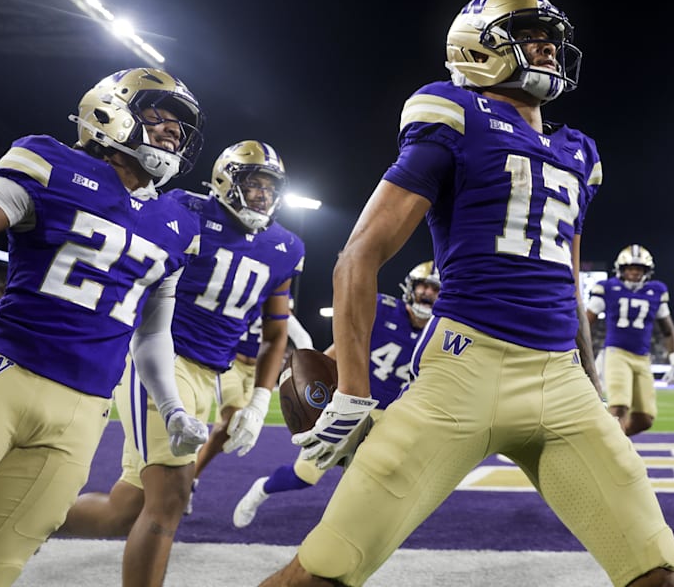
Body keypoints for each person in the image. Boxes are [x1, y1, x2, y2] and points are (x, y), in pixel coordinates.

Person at [260, 0, 674, 586]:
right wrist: (354, 392)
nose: (550, 50)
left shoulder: (578, 152)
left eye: (553, 40)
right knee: (325, 572)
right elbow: (358, 256)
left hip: (562, 382)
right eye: (533, 36)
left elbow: (568, 280)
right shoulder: (452, 112)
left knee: (656, 572)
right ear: (478, 47)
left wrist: (590, 382)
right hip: (463, 373)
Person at [0, 67, 209, 587]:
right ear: (110, 110)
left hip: (82, 414)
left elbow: (152, 332)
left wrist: (172, 406)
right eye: (162, 114)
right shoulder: (50, 162)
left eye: (181, 125)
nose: (174, 130)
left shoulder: (179, 223)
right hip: (1, 378)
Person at [57, 140, 306, 586]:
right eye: (255, 185)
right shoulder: (184, 211)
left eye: (271, 188)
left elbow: (275, 333)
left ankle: (35, 517)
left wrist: (257, 401)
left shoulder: (286, 247)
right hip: (159, 357)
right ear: (227, 180)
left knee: (125, 509)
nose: (264, 196)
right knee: (172, 494)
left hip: (210, 374)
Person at [232, 261, 440, 528]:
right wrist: (315, 381)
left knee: (375, 480)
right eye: (423, 285)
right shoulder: (381, 309)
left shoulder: (441, 330)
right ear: (410, 287)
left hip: (393, 414)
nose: (427, 293)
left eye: (434, 289)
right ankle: (261, 490)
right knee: (304, 475)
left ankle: (346, 529)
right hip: (351, 401)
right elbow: (340, 348)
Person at [187, 308, 315, 515]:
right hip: (231, 364)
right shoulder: (246, 294)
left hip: (260, 369)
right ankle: (190, 480)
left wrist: (308, 367)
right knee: (230, 421)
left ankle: (191, 474)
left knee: (234, 429)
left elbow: (301, 337)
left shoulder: (274, 300)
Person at [586, 244, 674, 436]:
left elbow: (668, 329)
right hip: (616, 353)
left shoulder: (656, 291)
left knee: (644, 419)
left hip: (642, 357)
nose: (634, 273)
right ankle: (614, 455)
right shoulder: (608, 288)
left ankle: (605, 441)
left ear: (647, 271)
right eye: (630, 268)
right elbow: (587, 322)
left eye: (639, 269)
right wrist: (582, 352)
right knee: (619, 408)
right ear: (621, 269)